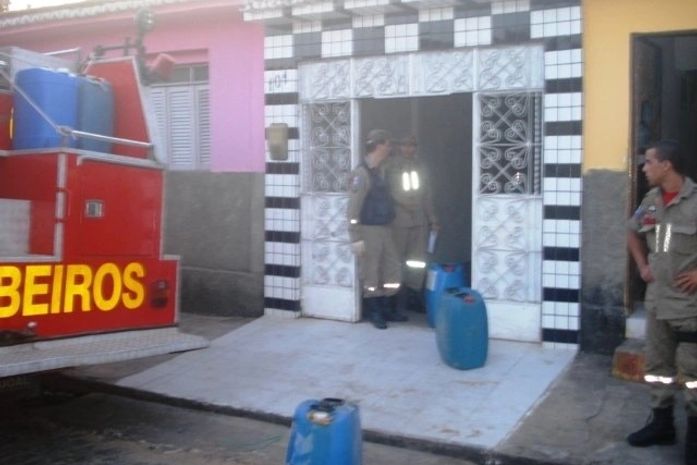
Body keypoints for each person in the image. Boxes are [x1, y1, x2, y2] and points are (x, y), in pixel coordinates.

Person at [627, 140, 697, 465]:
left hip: (689, 305)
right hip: (657, 302)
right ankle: (662, 424)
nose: (644, 168)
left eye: (648, 162)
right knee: (658, 367)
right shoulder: (653, 201)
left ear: (666, 165)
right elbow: (636, 232)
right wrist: (643, 265)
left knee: (693, 371)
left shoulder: (695, 201)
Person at [347, 129, 405, 329]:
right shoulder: (361, 174)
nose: (390, 149)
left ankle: (388, 307)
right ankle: (375, 311)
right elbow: (353, 209)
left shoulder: (381, 169)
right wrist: (355, 237)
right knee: (371, 272)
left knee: (392, 267)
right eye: (388, 145)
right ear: (379, 145)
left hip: (385, 228)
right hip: (369, 230)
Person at [383, 134, 438, 314]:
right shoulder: (390, 166)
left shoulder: (420, 166)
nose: (409, 149)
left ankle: (413, 295)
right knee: (396, 260)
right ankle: (394, 300)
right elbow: (387, 192)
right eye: (405, 145)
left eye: (412, 145)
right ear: (399, 147)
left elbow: (427, 194)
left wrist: (433, 219)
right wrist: (403, 205)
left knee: (417, 261)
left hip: (419, 220)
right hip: (399, 220)